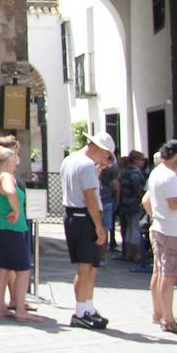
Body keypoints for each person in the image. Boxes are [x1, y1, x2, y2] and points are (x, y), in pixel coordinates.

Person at [61, 130, 115, 329]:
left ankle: (86, 307)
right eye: (106, 154)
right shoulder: (85, 165)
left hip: (73, 215)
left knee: (90, 265)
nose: (106, 158)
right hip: (85, 217)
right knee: (86, 267)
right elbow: (90, 196)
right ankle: (81, 311)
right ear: (98, 148)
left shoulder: (71, 160)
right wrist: (99, 227)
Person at [0, 146, 39, 321]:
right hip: (10, 228)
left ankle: (1, 307)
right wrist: (16, 210)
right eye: (15, 158)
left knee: (3, 269)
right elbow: (10, 191)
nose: (17, 161)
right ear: (7, 161)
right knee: (23, 270)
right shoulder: (6, 176)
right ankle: (20, 309)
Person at [145, 140, 177, 335]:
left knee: (158, 271)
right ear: (175, 156)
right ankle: (168, 318)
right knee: (169, 274)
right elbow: (174, 204)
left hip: (158, 225)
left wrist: (155, 215)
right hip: (171, 229)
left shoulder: (156, 173)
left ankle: (158, 312)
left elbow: (146, 199)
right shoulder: (169, 177)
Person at [118, 151, 148, 269]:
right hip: (134, 204)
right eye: (141, 160)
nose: (143, 162)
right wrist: (142, 198)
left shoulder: (124, 171)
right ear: (135, 160)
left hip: (125, 203)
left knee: (130, 229)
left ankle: (128, 253)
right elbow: (138, 188)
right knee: (135, 228)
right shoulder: (135, 173)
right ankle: (137, 254)